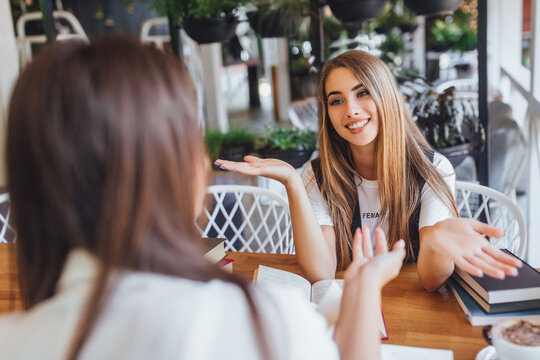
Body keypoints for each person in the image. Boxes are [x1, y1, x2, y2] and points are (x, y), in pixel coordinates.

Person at [0, 36, 407, 360]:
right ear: (176, 170)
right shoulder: (266, 323)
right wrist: (366, 286)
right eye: (192, 137)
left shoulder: (12, 341)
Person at [216, 50, 521, 292]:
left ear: (385, 96)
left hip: (411, 310)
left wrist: (438, 238)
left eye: (363, 93)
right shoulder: (318, 174)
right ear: (328, 115)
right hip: (352, 304)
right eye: (336, 100)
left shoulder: (432, 169)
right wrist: (293, 183)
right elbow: (321, 272)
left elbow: (431, 280)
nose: (350, 109)